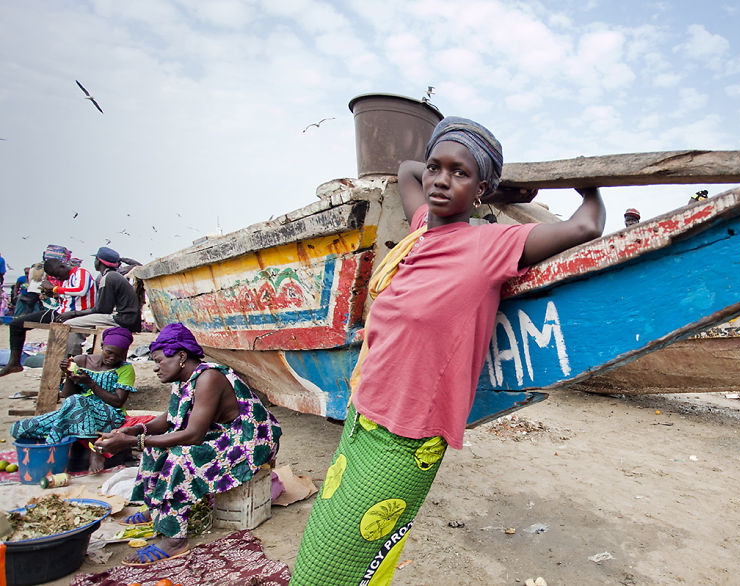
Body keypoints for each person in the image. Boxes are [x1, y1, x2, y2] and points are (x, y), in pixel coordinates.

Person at [290, 116, 605, 584]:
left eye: (460, 173)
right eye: (438, 167)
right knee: (319, 545)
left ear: (478, 190)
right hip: (362, 416)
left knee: (340, 566)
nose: (440, 180)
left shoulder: (491, 245)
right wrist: (487, 183)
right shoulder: (420, 229)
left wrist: (588, 184)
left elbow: (586, 226)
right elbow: (404, 171)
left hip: (408, 437)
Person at [94, 323, 282, 567]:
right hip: (222, 432)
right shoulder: (184, 379)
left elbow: (192, 435)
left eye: (159, 360)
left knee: (181, 458)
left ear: (181, 356)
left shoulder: (209, 377)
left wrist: (133, 441)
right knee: (153, 447)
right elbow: (172, 417)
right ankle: (157, 511)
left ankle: (175, 539)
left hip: (251, 440)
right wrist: (138, 430)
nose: (155, 367)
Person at [11, 327, 135, 473]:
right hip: (77, 412)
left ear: (125, 354)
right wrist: (68, 375)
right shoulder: (80, 361)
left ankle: (94, 451)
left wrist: (90, 383)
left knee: (77, 401)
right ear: (102, 347)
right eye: (109, 352)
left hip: (109, 415)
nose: (113, 358)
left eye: (119, 355)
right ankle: (57, 445)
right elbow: (67, 396)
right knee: (19, 428)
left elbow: (117, 401)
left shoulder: (125, 369)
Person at [0, 257, 95, 376]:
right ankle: (14, 363)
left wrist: (54, 288)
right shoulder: (64, 279)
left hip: (80, 315)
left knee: (69, 346)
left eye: (57, 275)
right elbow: (65, 298)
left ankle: (71, 375)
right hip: (60, 312)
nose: (57, 278)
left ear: (62, 266)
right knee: (16, 324)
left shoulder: (81, 273)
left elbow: (80, 290)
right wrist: (52, 294)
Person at [60, 246, 140, 355]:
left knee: (69, 324)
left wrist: (74, 313)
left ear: (99, 262)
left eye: (95, 259)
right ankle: (75, 354)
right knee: (82, 321)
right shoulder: (115, 276)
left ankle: (72, 357)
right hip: (129, 318)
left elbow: (103, 309)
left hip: (122, 319)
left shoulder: (108, 278)